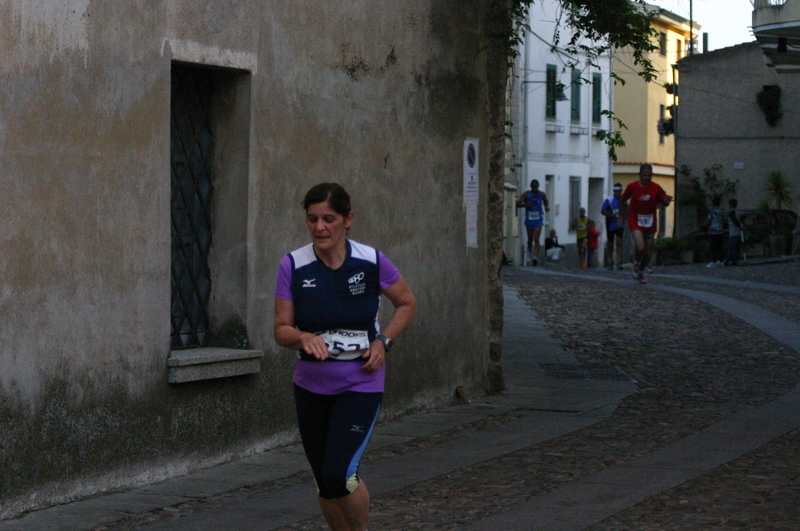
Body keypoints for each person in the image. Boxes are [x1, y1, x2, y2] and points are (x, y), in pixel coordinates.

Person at [274, 183, 417, 531]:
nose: (320, 227)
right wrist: (304, 337)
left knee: (340, 473)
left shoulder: (370, 261)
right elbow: (281, 330)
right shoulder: (294, 265)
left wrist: (383, 341)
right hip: (310, 386)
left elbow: (407, 303)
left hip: (360, 382)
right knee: (326, 481)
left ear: (348, 219)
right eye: (312, 220)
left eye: (329, 219)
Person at [620, 164, 673, 284]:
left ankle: (641, 271)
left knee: (648, 253)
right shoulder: (632, 186)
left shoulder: (656, 187)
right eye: (644, 175)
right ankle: (637, 264)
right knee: (640, 247)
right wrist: (622, 216)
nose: (646, 178)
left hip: (650, 221)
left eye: (649, 175)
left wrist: (666, 202)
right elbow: (623, 199)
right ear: (640, 175)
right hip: (635, 219)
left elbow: (664, 202)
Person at [516, 179, 550, 266]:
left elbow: (545, 201)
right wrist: (525, 205)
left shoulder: (541, 194)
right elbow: (517, 204)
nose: (535, 189)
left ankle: (535, 257)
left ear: (538, 187)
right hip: (529, 219)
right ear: (531, 187)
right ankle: (530, 251)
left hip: (538, 219)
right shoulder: (526, 194)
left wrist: (546, 207)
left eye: (536, 187)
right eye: (533, 187)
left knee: (536, 238)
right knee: (530, 238)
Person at [601, 183, 625, 270]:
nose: (619, 193)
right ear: (614, 191)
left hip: (620, 223)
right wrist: (611, 215)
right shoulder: (609, 200)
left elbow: (627, 209)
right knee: (610, 243)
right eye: (617, 192)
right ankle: (610, 260)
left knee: (619, 241)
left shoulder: (623, 199)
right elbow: (602, 210)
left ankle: (619, 261)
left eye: (620, 191)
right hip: (610, 223)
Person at [706, 196, 725, 267]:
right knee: (720, 246)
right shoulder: (721, 212)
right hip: (720, 230)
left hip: (713, 231)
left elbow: (709, 221)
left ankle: (714, 261)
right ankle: (721, 260)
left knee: (713, 247)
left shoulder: (711, 212)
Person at [725, 198, 742, 266]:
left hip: (733, 233)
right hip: (737, 232)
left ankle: (732, 260)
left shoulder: (732, 212)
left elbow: (734, 220)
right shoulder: (737, 212)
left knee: (732, 247)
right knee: (736, 247)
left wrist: (739, 226)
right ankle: (735, 260)